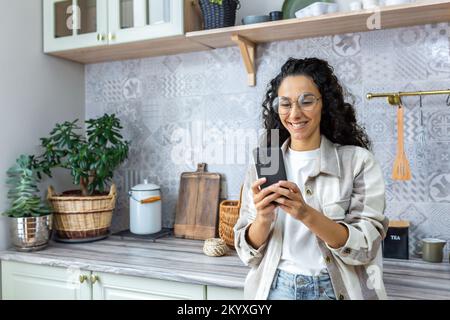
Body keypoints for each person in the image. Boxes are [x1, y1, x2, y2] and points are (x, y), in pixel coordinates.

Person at [234, 57, 389, 300]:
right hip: (276, 289)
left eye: (306, 101)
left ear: (324, 104)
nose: (295, 114)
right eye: (285, 104)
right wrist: (263, 218)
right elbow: (246, 253)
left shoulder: (358, 162)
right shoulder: (266, 161)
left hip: (334, 290)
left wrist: (306, 213)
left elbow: (365, 248)